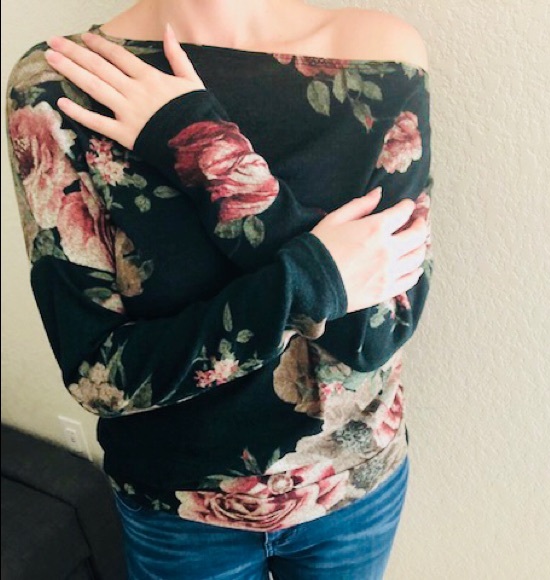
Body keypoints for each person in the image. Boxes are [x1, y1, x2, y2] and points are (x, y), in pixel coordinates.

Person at [6, 0, 433, 577]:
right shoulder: (59, 84)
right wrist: (318, 279)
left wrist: (202, 148)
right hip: (178, 514)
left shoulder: (383, 57)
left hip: (353, 492)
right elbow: (102, 377)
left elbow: (376, 333)